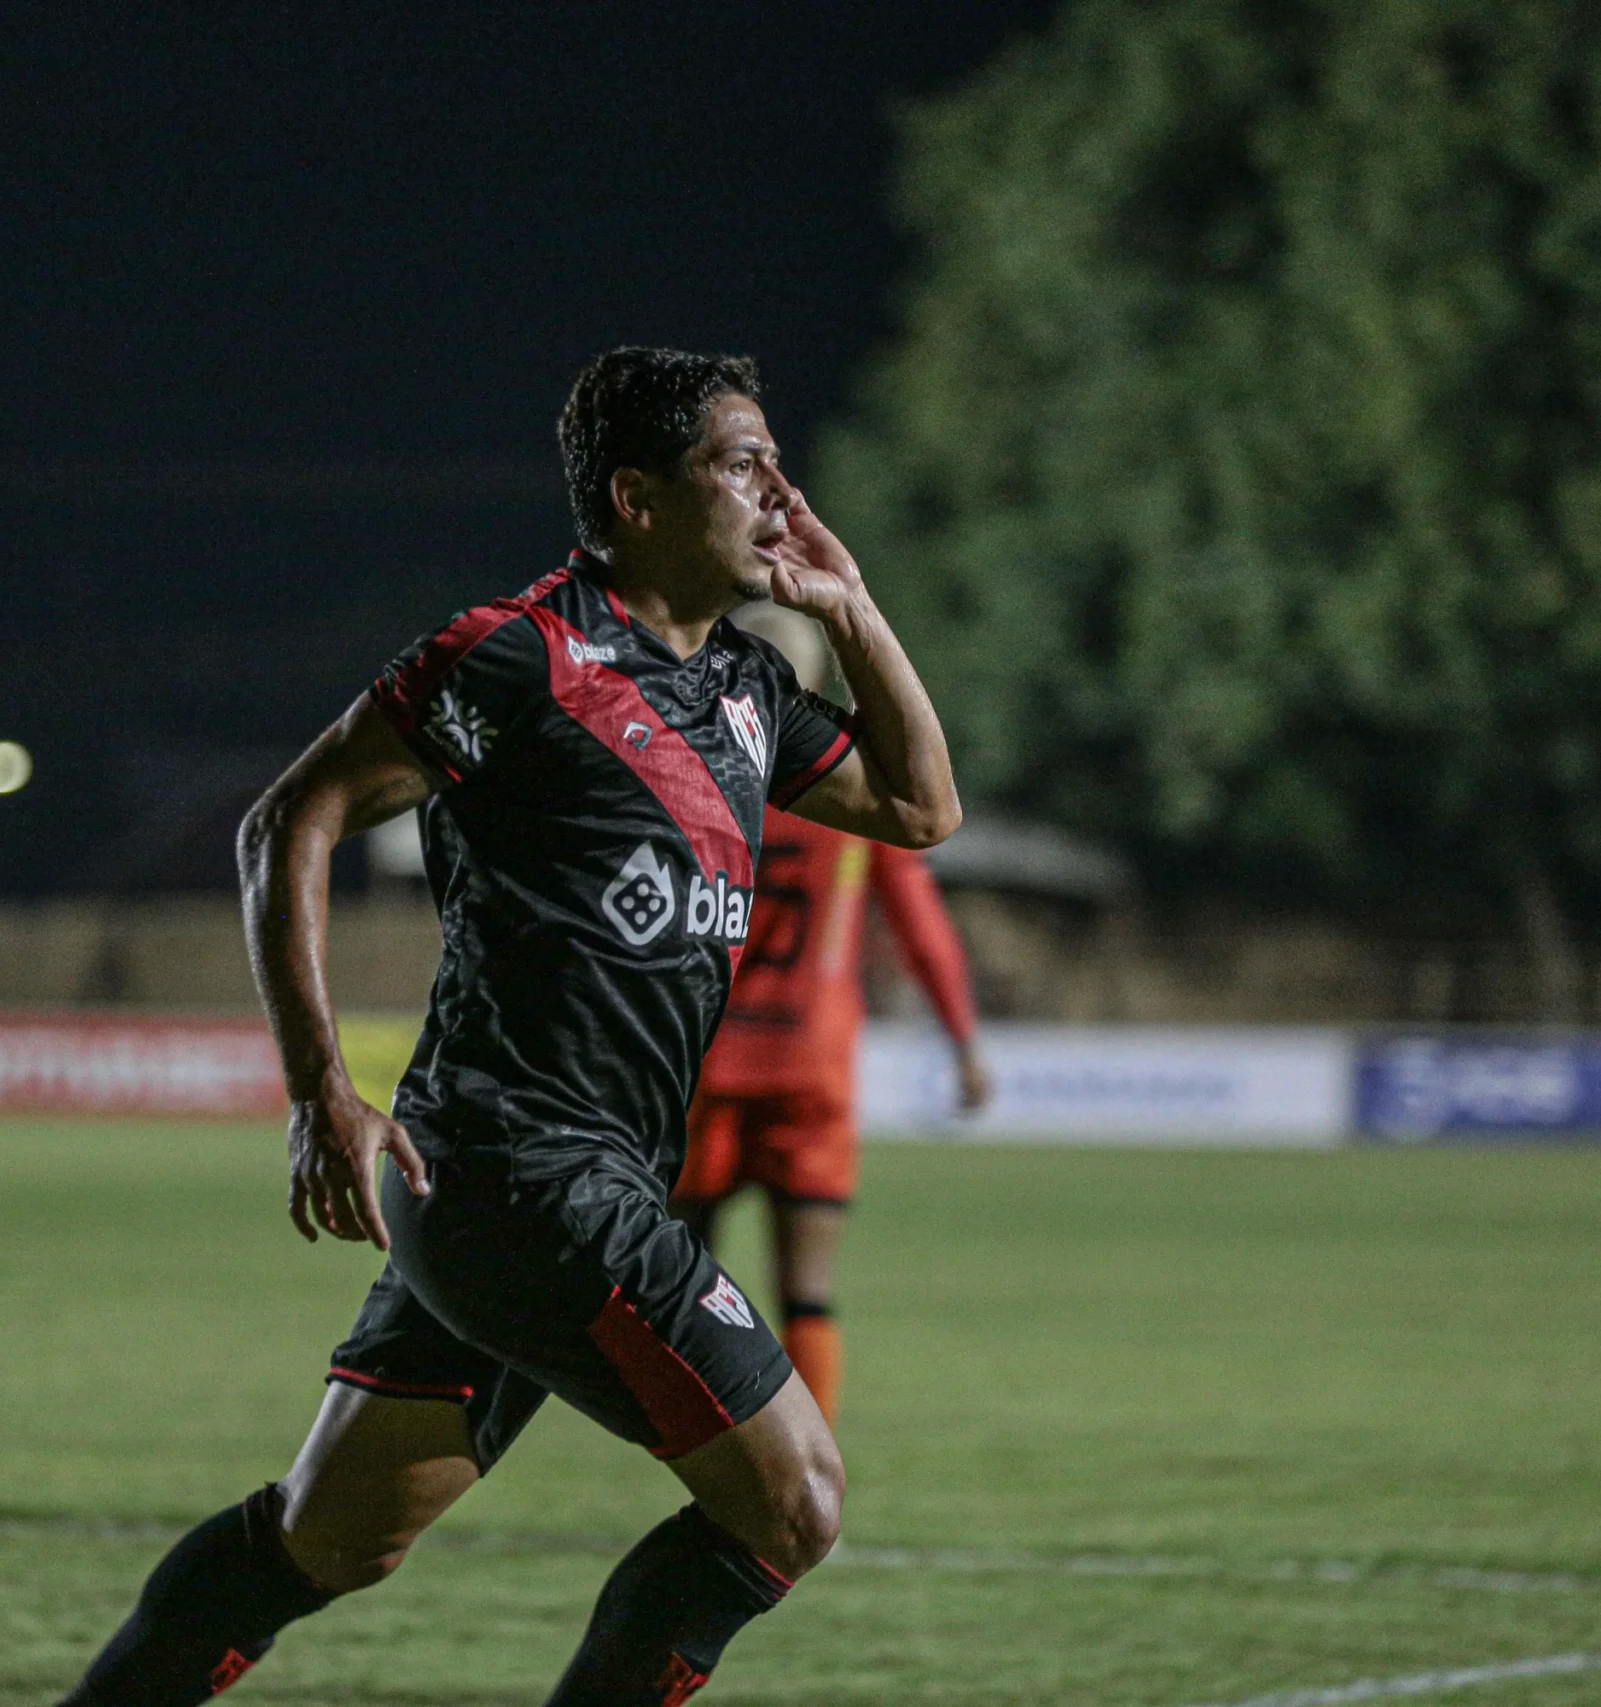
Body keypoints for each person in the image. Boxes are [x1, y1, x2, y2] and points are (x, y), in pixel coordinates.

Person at [58, 347, 959, 1707]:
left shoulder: (745, 694)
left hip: (520, 1191)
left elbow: (921, 809)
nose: (775, 489)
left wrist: (851, 603)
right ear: (638, 496)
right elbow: (284, 819)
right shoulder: (521, 655)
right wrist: (318, 1087)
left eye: (779, 461)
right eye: (738, 462)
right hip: (528, 1173)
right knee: (795, 1499)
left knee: (328, 1536)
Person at [672, 605, 991, 1426]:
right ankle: (804, 1474)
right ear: (813, 682)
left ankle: (701, 1446)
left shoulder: (688, 769)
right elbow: (922, 927)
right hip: (810, 1064)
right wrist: (963, 1042)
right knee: (806, 1291)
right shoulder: (850, 788)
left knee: (676, 1280)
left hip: (700, 1064)